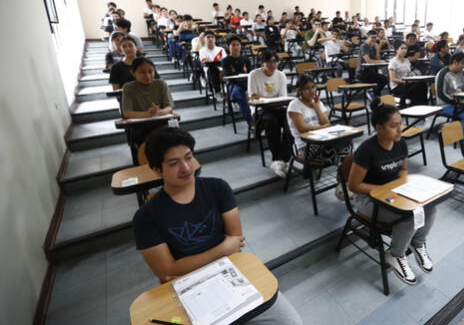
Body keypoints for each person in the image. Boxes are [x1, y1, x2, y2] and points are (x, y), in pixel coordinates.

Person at [133, 128, 303, 325]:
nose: (186, 167)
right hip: (189, 288)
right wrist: (223, 248)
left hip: (231, 273)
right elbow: (167, 271)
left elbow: (236, 240)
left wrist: (186, 265)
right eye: (173, 163)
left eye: (188, 157)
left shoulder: (217, 188)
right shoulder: (146, 217)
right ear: (156, 169)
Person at [347, 98, 436, 284]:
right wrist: (387, 190)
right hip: (367, 199)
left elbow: (403, 169)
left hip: (391, 193)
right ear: (379, 128)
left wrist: (405, 187)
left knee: (430, 207)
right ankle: (395, 254)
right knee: (409, 215)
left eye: (400, 123)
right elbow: (354, 186)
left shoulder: (400, 143)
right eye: (393, 126)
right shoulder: (367, 150)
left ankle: (417, 243)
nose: (400, 129)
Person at [287, 75, 351, 163]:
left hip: (323, 140)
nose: (312, 91)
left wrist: (316, 107)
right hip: (306, 145)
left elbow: (326, 122)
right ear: (299, 91)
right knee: (340, 152)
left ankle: (343, 168)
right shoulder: (294, 105)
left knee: (347, 143)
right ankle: (342, 168)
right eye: (307, 89)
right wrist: (322, 127)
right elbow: (302, 129)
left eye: (313, 87)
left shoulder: (317, 103)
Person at [248, 51, 292, 178]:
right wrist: (268, 100)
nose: (272, 64)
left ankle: (281, 159)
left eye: (275, 61)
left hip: (277, 107)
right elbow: (254, 98)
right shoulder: (254, 74)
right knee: (271, 122)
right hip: (259, 110)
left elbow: (283, 97)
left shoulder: (281, 75)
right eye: (268, 62)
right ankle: (277, 159)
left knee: (291, 119)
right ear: (262, 62)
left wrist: (264, 98)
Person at [221, 35, 252, 124]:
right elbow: (229, 76)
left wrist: (236, 72)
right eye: (233, 45)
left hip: (246, 83)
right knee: (239, 94)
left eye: (238, 45)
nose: (236, 47)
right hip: (233, 85)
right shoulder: (225, 60)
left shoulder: (246, 59)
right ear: (228, 47)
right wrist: (243, 72)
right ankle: (250, 121)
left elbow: (251, 74)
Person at [389, 40, 427, 105]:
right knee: (416, 88)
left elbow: (409, 73)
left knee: (423, 84)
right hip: (397, 86)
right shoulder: (393, 61)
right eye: (402, 48)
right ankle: (415, 107)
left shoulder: (406, 60)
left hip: (407, 83)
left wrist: (412, 79)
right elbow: (393, 79)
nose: (404, 50)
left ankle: (423, 106)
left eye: (405, 48)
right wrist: (406, 82)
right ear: (397, 50)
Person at [357, 29, 388, 96]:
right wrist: (381, 61)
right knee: (383, 79)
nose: (374, 39)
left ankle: (375, 95)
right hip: (363, 73)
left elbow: (378, 58)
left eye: (375, 37)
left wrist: (377, 49)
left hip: (371, 72)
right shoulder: (364, 46)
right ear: (368, 37)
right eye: (372, 37)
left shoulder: (373, 46)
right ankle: (375, 95)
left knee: (383, 79)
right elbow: (368, 61)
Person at [199, 30, 227, 102]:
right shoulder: (202, 51)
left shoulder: (221, 49)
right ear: (204, 39)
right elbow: (206, 63)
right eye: (208, 37)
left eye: (212, 37)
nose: (210, 39)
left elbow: (225, 61)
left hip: (222, 71)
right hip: (209, 71)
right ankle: (217, 91)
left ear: (215, 39)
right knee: (213, 69)